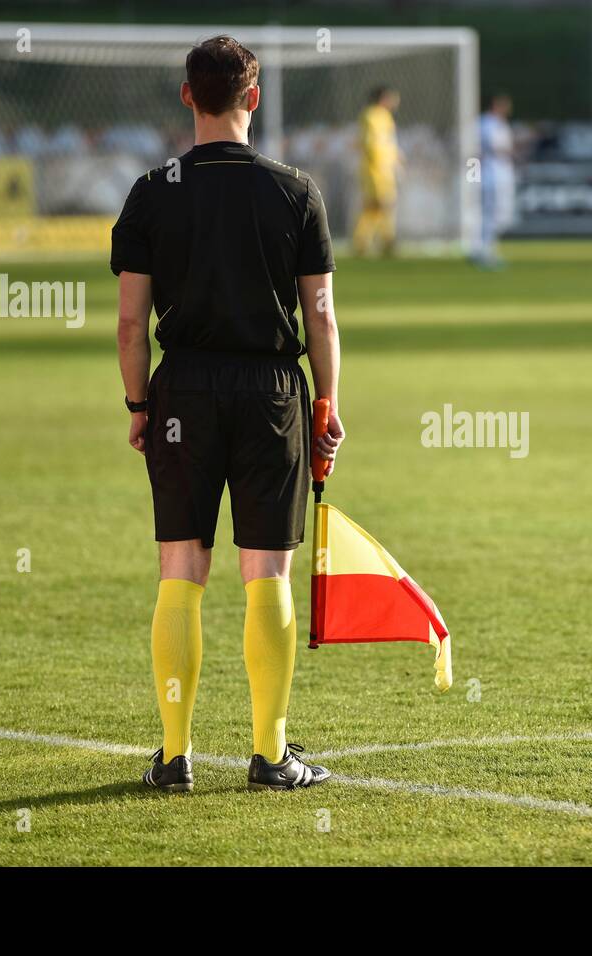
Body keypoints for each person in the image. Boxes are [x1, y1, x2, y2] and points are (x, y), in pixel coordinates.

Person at [111, 36, 345, 793]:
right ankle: (270, 756)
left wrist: (141, 402)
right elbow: (323, 319)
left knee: (181, 567)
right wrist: (326, 406)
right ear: (254, 96)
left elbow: (128, 322)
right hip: (273, 391)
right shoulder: (294, 190)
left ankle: (174, 757)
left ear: (187, 96)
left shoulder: (153, 190)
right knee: (265, 569)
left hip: (182, 390)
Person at [353, 85, 403, 257]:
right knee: (382, 204)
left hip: (385, 168)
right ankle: (386, 240)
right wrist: (379, 164)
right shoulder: (370, 115)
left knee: (376, 207)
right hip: (375, 169)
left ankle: (365, 241)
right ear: (383, 98)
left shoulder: (385, 117)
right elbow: (370, 144)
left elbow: (389, 143)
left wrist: (397, 158)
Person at [475, 92, 516, 269]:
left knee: (499, 214)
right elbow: (477, 151)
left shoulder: (501, 124)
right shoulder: (485, 123)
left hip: (501, 173)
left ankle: (488, 248)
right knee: (488, 213)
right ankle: (484, 250)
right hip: (490, 174)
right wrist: (473, 179)